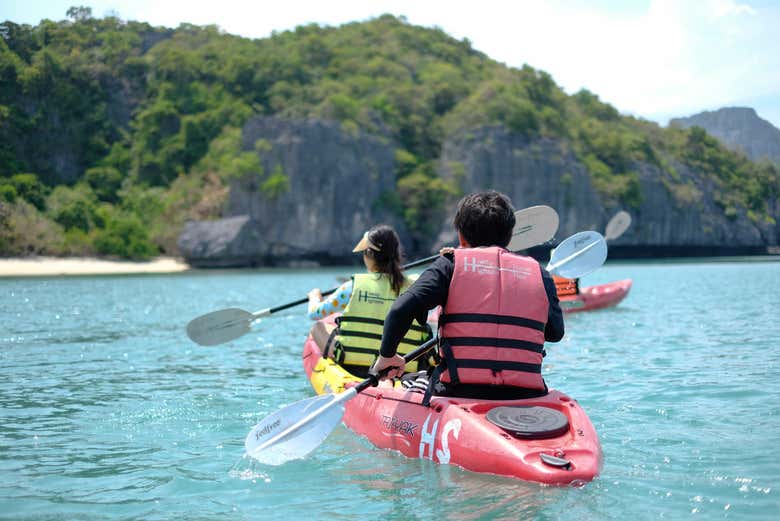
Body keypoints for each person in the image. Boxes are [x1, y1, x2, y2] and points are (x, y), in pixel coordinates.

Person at [371, 190, 564, 401]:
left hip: (459, 390)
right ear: (509, 236)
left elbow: (400, 310)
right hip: (527, 394)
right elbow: (555, 333)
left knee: (410, 381)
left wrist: (387, 356)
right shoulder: (540, 274)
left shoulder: (450, 265)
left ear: (461, 236)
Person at [307, 224, 431, 378]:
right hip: (404, 368)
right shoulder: (418, 284)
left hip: (354, 366)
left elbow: (315, 313)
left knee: (317, 327)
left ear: (369, 254)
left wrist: (314, 297)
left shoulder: (351, 286)